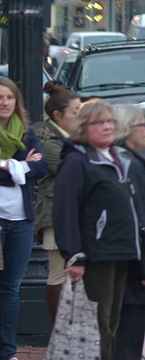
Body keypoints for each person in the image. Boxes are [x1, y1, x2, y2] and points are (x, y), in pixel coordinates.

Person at [54, 99, 143, 360]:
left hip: (122, 251)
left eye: (110, 122)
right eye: (99, 122)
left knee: (112, 324)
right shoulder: (77, 161)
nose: (107, 127)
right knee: (98, 325)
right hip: (97, 255)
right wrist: (74, 253)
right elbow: (66, 209)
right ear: (84, 127)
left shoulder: (119, 157)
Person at [0, 77, 47, 360]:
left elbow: (42, 168)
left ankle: (7, 351)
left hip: (22, 221)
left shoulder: (27, 134)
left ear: (17, 103)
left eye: (9, 98)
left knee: (11, 288)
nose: (5, 103)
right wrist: (21, 168)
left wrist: (4, 164)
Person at [31, 81, 80, 322]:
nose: (80, 117)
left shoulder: (70, 137)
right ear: (57, 115)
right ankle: (59, 329)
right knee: (59, 274)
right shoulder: (47, 139)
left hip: (73, 212)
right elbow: (70, 171)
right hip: (54, 211)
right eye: (75, 112)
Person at [112, 104, 145, 360]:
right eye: (140, 125)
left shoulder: (133, 161)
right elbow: (136, 218)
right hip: (133, 262)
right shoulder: (128, 164)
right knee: (128, 335)